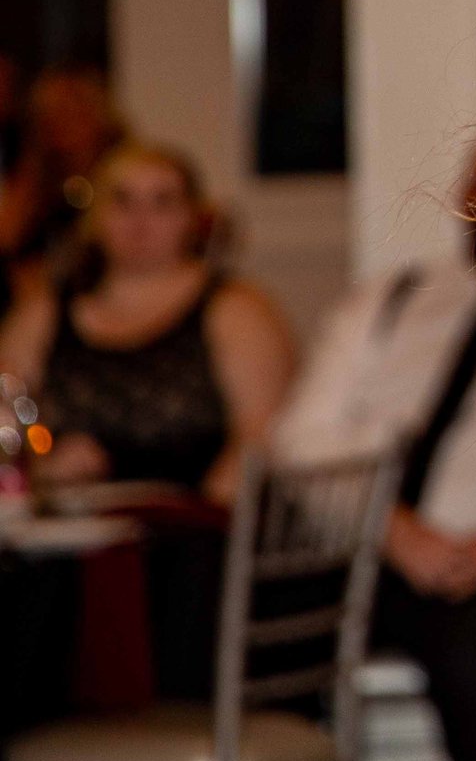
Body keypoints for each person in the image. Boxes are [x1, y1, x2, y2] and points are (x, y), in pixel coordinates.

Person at [273, 133, 476, 761]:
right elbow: (299, 439)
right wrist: (393, 530)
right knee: (246, 614)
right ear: (464, 196)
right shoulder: (393, 298)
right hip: (370, 554)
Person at [0, 140, 293, 502]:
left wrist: (205, 517)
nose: (140, 221)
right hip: (72, 528)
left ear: (193, 217)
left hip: (196, 527)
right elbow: (8, 420)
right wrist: (45, 467)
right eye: (122, 200)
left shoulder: (237, 311)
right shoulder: (43, 313)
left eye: (162, 202)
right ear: (96, 215)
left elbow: (261, 436)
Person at [0, 64, 123, 273]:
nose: (63, 122)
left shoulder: (124, 168)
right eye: (51, 112)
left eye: (74, 109)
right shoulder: (38, 175)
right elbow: (7, 238)